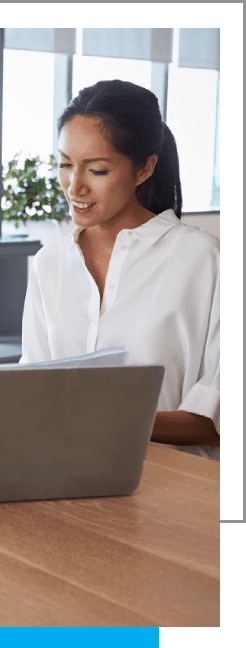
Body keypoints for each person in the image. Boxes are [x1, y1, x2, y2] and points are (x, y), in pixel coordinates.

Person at [20, 79, 220, 459]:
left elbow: (216, 416)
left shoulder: (203, 260)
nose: (74, 186)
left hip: (174, 491)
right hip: (61, 477)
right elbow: (33, 387)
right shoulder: (50, 263)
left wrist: (104, 418)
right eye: (65, 164)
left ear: (144, 169)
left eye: (96, 170)